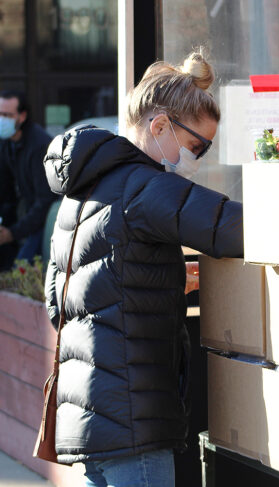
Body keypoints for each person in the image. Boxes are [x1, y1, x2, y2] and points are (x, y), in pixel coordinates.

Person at [42, 50, 243, 487]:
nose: (199, 159)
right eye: (197, 146)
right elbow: (237, 229)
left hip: (88, 421)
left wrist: (162, 278)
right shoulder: (146, 187)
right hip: (134, 418)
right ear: (159, 126)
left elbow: (61, 304)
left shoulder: (78, 196)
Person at [0, 91, 57, 270]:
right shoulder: (6, 142)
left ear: (22, 116)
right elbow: (5, 192)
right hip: (27, 214)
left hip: (46, 219)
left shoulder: (39, 145)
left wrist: (12, 233)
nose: (2, 120)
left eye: (7, 115)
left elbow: (45, 201)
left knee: (21, 271)